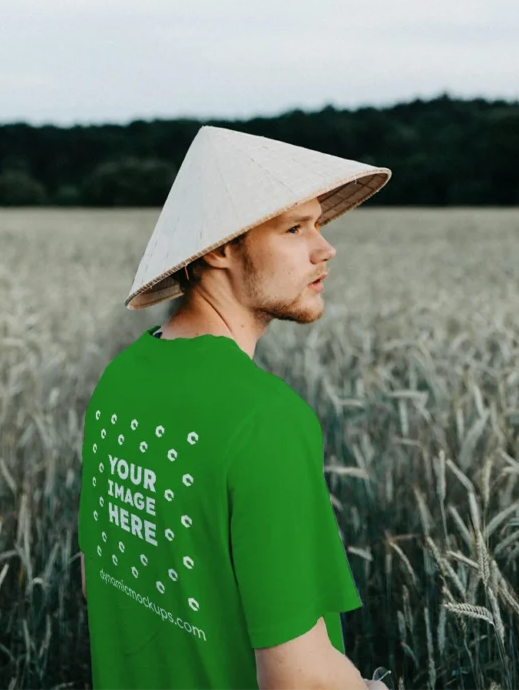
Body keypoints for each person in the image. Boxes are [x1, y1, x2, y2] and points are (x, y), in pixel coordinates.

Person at [78, 125, 391, 689]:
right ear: (220, 246)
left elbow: (111, 585)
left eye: (319, 224)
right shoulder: (264, 418)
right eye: (295, 227)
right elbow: (301, 680)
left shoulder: (119, 381)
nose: (326, 248)